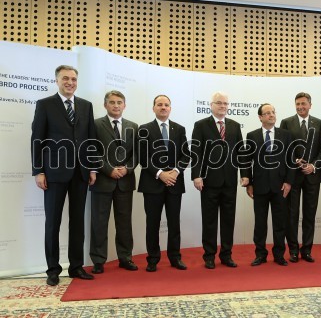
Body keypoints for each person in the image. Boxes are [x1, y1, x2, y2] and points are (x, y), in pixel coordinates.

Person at [31, 65, 97, 286]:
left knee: (77, 222)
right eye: (66, 78)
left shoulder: (86, 106)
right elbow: (37, 140)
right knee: (53, 223)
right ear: (57, 80)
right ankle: (53, 270)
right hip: (54, 173)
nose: (70, 82)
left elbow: (91, 141)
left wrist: (93, 168)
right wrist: (38, 170)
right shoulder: (45, 105)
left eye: (74, 79)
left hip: (80, 173)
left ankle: (76, 267)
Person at [191, 92, 249, 269]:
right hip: (208, 181)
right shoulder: (201, 125)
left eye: (225, 103)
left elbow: (241, 152)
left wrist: (245, 174)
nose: (223, 106)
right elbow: (196, 152)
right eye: (219, 103)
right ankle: (209, 256)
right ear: (211, 105)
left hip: (230, 182)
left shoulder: (234, 125)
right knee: (209, 220)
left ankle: (226, 255)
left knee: (228, 220)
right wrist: (196, 175)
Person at [137, 95, 190, 272]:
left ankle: (175, 257)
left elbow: (186, 155)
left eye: (166, 105)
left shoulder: (179, 129)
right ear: (153, 108)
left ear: (170, 108)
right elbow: (142, 157)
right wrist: (160, 174)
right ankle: (153, 259)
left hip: (174, 182)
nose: (163, 107)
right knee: (152, 223)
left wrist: (174, 172)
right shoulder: (144, 129)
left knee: (174, 223)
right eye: (159, 104)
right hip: (152, 183)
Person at [89, 90, 139, 274]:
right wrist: (109, 170)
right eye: (112, 102)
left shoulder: (133, 127)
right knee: (99, 222)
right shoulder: (94, 125)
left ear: (124, 105)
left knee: (124, 222)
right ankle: (98, 260)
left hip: (125, 182)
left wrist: (127, 168)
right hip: (102, 181)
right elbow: (92, 151)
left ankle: (125, 258)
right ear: (105, 105)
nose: (116, 105)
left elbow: (137, 153)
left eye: (119, 102)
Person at [242, 103, 295, 267]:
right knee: (260, 224)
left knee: (280, 223)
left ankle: (279, 255)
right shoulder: (252, 136)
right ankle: (260, 255)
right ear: (260, 117)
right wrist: (248, 183)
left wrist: (288, 182)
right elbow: (245, 161)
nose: (271, 115)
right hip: (259, 186)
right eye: (267, 113)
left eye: (273, 112)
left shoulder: (286, 135)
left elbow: (291, 160)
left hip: (280, 186)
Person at [280, 92, 321, 263]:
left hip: (312, 177)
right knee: (291, 215)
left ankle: (306, 250)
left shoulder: (319, 123)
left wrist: (314, 165)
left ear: (310, 105)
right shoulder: (286, 122)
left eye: (303, 104)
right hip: (292, 177)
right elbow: (283, 147)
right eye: (297, 104)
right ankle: (293, 250)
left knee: (309, 215)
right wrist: (294, 161)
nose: (300, 107)